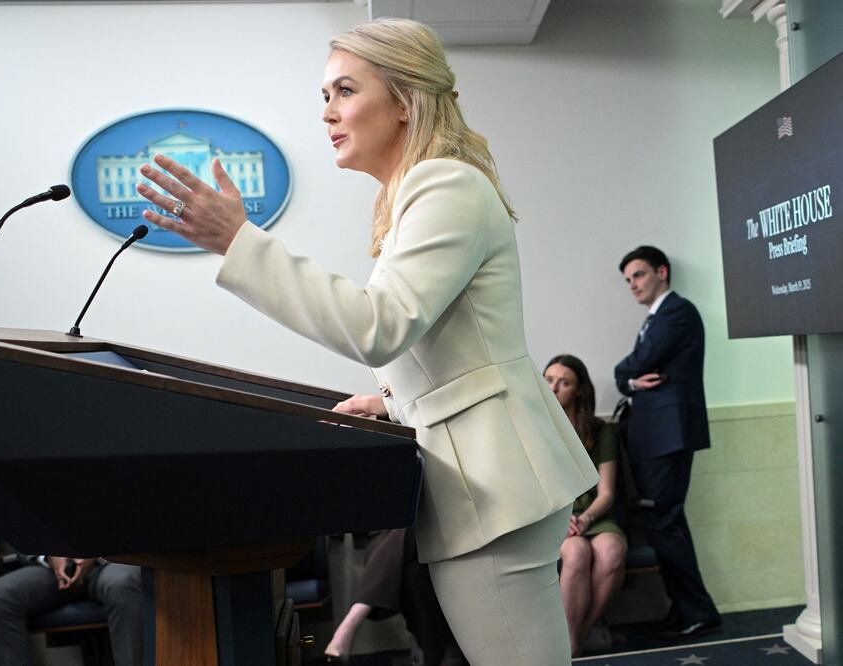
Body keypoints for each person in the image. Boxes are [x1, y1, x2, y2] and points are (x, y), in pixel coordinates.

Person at [135, 18, 599, 664]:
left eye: (344, 91)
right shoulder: (417, 190)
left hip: (493, 485)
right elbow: (439, 340)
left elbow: (377, 325)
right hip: (485, 480)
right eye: (324, 96)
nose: (327, 112)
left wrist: (240, 243)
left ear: (405, 99)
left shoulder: (445, 184)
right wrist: (392, 403)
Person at [614, 245, 721, 639]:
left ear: (661, 271)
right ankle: (686, 608)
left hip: (669, 436)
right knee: (662, 524)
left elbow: (632, 364)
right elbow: (632, 372)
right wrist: (629, 379)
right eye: (628, 280)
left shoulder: (677, 312)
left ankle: (699, 611)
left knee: (666, 522)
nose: (633, 285)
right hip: (657, 436)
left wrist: (625, 375)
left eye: (638, 275)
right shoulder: (655, 319)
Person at [544, 355, 627, 656]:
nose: (553, 388)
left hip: (592, 513)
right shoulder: (536, 428)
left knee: (611, 552)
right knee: (577, 553)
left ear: (578, 390)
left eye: (564, 382)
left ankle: (577, 635)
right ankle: (571, 640)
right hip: (553, 516)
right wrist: (562, 519)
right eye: (548, 380)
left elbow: (606, 493)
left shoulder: (600, 430)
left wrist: (586, 519)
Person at [324, 528, 464, 665]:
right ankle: (441, 654)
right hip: (390, 539)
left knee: (409, 536)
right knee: (413, 573)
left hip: (435, 528)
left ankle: (352, 622)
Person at [0, 552, 143, 666]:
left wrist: (95, 552)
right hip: (51, 568)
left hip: (108, 561)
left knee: (124, 584)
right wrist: (50, 556)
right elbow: (21, 526)